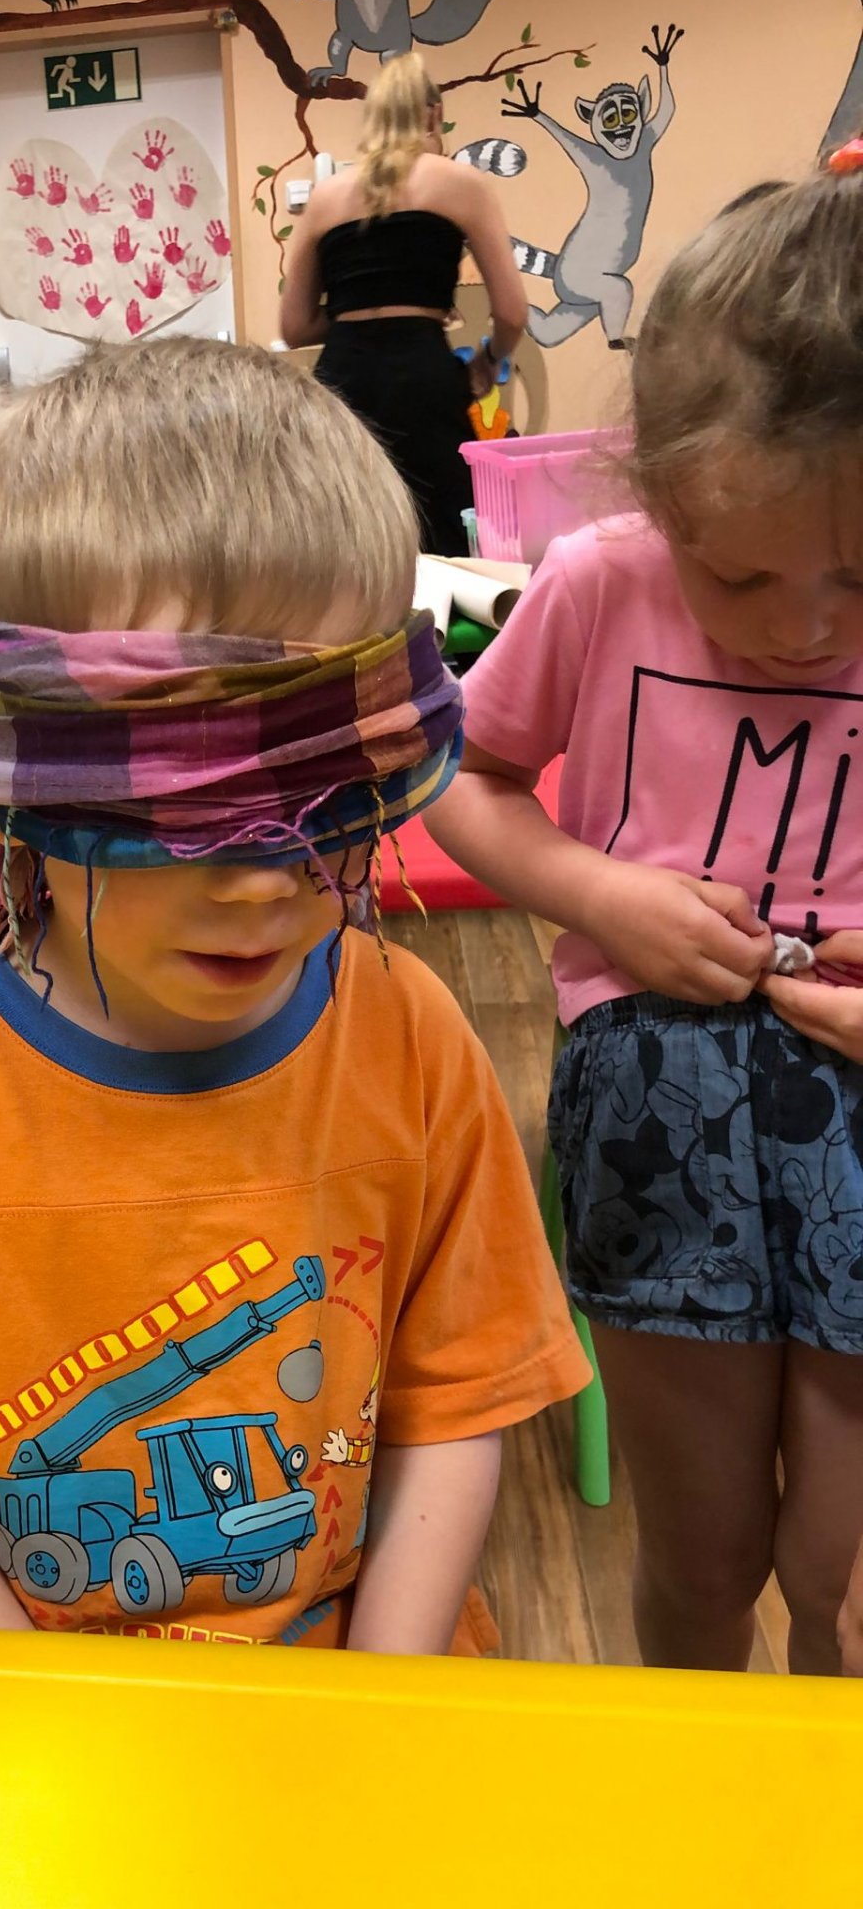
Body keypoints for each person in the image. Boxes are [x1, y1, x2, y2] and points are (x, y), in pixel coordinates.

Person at [0, 337, 589, 1652]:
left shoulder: (408, 1038)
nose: (261, 881)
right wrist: (54, 1728)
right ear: (27, 784)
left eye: (326, 793)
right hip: (40, 1718)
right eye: (178, 809)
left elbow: (455, 1404)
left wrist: (378, 1696)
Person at [425, 169, 863, 1675]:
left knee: (838, 1576)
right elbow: (465, 778)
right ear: (660, 496)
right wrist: (601, 892)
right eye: (741, 573)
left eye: (860, 576)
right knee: (703, 1556)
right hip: (656, 1115)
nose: (805, 626)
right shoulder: (600, 585)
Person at [280, 52, 527, 556]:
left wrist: (354, 316)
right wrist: (488, 359)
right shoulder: (461, 183)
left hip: (343, 383)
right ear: (434, 114)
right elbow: (511, 313)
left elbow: (294, 326)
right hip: (424, 377)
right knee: (445, 539)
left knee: (350, 543)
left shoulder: (326, 197)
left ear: (371, 118)